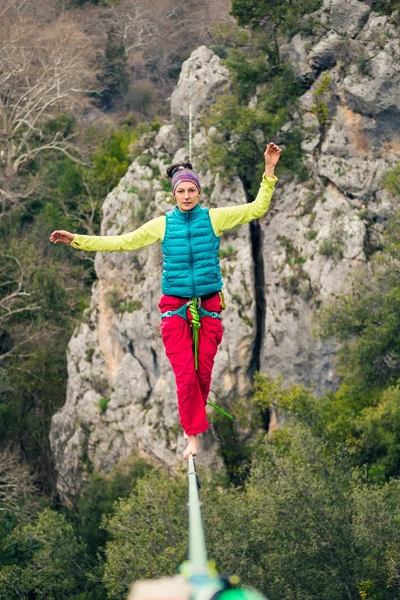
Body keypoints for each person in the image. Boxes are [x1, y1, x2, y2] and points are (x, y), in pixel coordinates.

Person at [50, 142, 281, 459]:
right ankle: (192, 435)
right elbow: (122, 242)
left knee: (202, 374)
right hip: (175, 309)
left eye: (191, 190)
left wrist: (268, 169)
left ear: (198, 193)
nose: (186, 195)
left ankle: (193, 428)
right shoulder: (163, 224)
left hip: (209, 308)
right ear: (174, 195)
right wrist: (76, 239)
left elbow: (256, 209)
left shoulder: (214, 219)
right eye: (181, 191)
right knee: (185, 375)